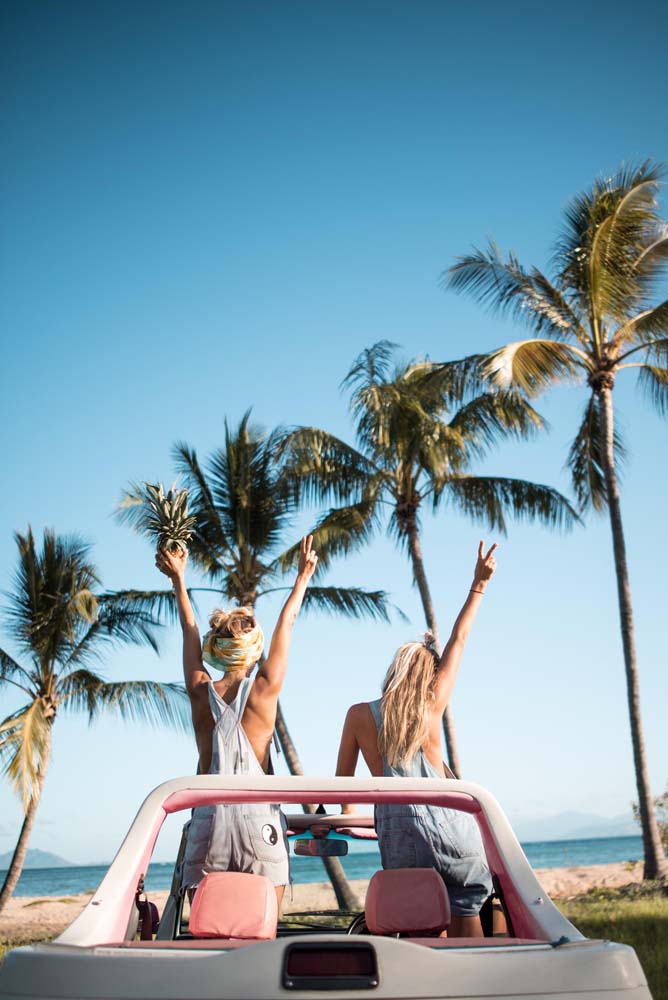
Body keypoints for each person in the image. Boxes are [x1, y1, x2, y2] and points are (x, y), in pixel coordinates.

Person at [335, 540, 497, 937]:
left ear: (394, 672)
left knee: (419, 923)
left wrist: (343, 823)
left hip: (400, 835)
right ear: (428, 676)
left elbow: (343, 791)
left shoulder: (359, 715)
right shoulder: (430, 708)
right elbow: (459, 640)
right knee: (466, 909)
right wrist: (478, 585)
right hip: (452, 830)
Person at [156, 535, 318, 908]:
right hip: (259, 826)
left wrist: (179, 578)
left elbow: (188, 628)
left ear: (219, 649)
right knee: (262, 942)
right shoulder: (263, 690)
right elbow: (287, 624)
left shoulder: (200, 689)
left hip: (208, 828)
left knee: (208, 944)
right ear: (253, 649)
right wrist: (302, 579)